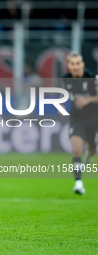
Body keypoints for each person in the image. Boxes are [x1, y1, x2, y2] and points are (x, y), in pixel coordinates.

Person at [61, 51, 98, 195]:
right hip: (76, 119)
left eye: (78, 64)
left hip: (93, 119)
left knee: (91, 150)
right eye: (72, 64)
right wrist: (61, 105)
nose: (75, 67)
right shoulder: (65, 79)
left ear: (82, 64)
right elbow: (62, 95)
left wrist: (87, 100)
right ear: (69, 65)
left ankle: (91, 153)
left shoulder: (91, 78)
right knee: (76, 149)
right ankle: (78, 183)